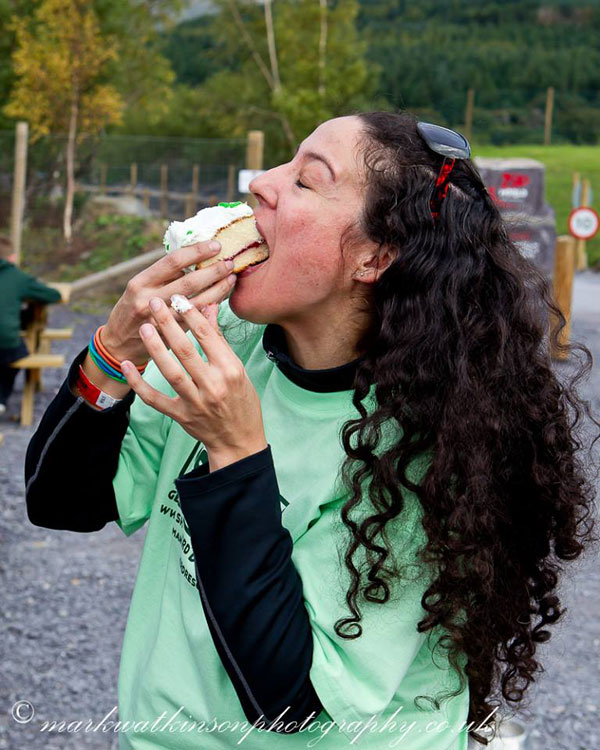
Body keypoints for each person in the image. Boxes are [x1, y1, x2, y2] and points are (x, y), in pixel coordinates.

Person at [24, 112, 598, 750]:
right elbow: (63, 505)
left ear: (374, 257)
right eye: (280, 164)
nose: (261, 184)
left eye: (305, 181)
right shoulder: (228, 348)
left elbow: (288, 703)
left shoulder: (426, 448)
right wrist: (112, 354)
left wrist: (236, 452)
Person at [0, 235, 62, 414]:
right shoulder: (18, 277)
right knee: (18, 351)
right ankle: (2, 398)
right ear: (12, 258)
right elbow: (53, 295)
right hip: (5, 343)